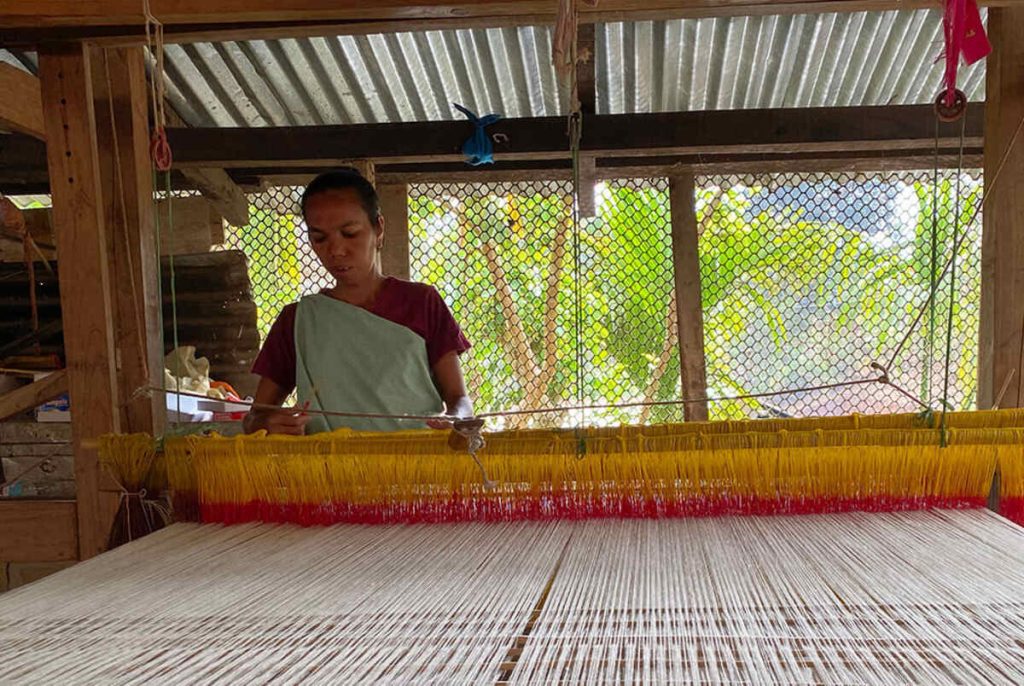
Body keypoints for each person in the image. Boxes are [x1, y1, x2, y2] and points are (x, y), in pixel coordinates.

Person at [243, 169, 472, 435]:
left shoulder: (422, 303)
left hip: (416, 466)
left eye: (350, 233)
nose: (336, 250)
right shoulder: (299, 321)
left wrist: (456, 419)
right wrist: (269, 424)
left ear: (379, 228)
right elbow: (254, 418)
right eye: (320, 238)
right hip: (329, 471)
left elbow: (460, 400)